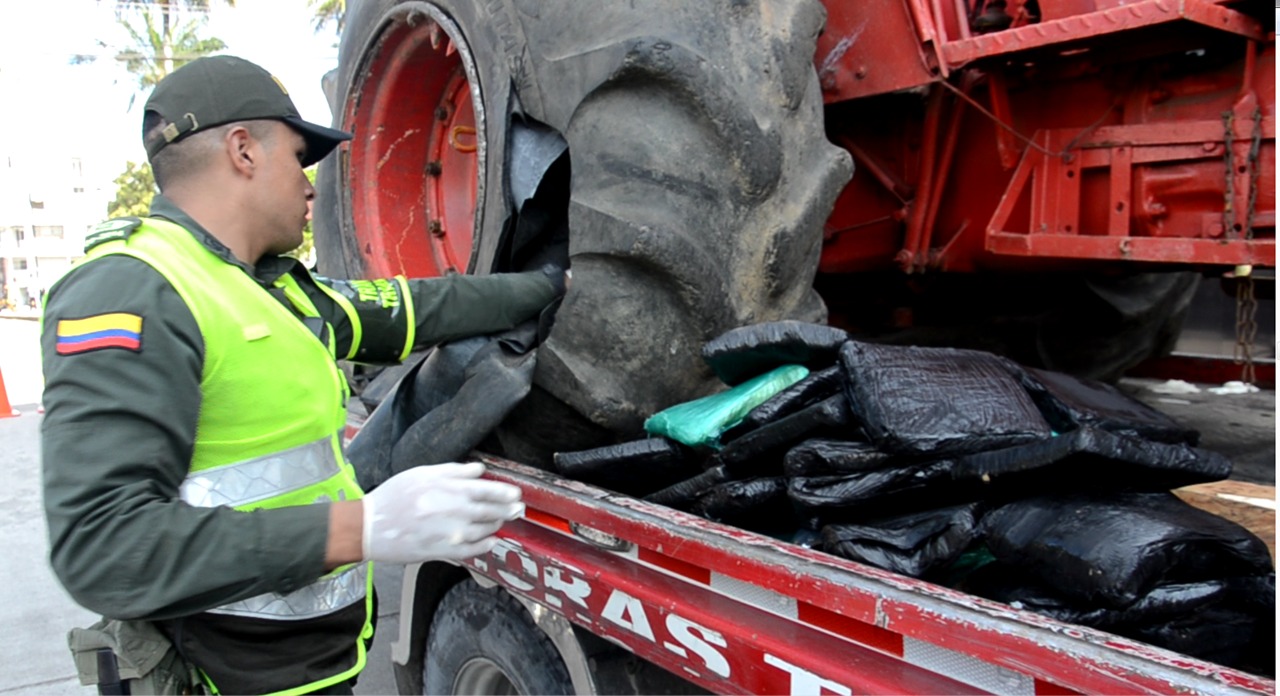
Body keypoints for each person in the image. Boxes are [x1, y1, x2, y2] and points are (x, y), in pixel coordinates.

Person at [40, 55, 565, 695]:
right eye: (298, 158)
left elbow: (423, 306)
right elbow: (103, 548)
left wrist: (553, 286)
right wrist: (360, 528)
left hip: (312, 668)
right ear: (243, 151)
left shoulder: (272, 288)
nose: (312, 186)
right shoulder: (134, 290)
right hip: (220, 679)